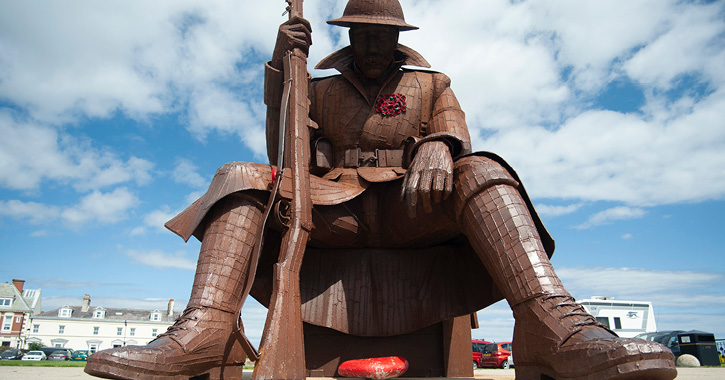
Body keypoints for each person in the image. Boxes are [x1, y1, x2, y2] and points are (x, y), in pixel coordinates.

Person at [85, 1, 677, 379]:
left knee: (487, 168)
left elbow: (457, 128)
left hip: (410, 207)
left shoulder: (432, 82)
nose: (371, 45)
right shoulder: (318, 87)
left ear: (398, 35)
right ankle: (209, 328)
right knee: (239, 174)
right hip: (332, 208)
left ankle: (551, 323)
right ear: (349, 32)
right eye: (362, 34)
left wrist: (442, 146)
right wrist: (280, 71)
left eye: (381, 35)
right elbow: (282, 155)